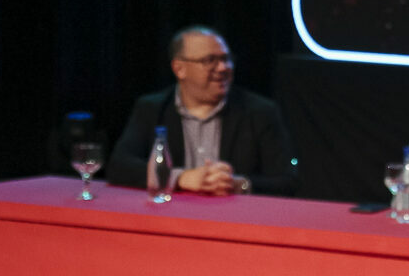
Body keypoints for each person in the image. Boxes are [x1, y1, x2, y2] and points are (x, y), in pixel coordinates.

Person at [107, 26, 298, 196]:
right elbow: (118, 166)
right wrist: (180, 178)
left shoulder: (260, 111)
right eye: (210, 60)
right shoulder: (151, 108)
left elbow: (288, 180)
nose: (223, 68)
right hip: (170, 216)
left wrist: (239, 184)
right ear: (179, 69)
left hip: (235, 218)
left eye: (226, 59)